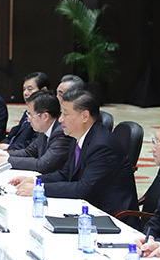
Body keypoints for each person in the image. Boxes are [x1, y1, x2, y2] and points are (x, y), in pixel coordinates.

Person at [9, 88, 137, 214]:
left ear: (84, 116)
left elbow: (83, 189)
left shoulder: (102, 146)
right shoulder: (79, 137)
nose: (60, 119)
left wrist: (40, 188)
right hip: (87, 207)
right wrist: (35, 180)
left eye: (65, 114)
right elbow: (65, 174)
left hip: (109, 215)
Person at [0, 90, 72, 174]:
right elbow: (28, 152)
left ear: (45, 117)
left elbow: (43, 164)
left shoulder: (61, 133)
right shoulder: (43, 129)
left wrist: (6, 160)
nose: (28, 120)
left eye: (30, 115)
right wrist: (4, 154)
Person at [0, 71, 50, 151]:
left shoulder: (44, 114)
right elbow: (15, 133)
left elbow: (34, 145)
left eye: (30, 89)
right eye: (24, 89)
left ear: (43, 90)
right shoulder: (29, 110)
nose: (25, 93)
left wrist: (10, 147)